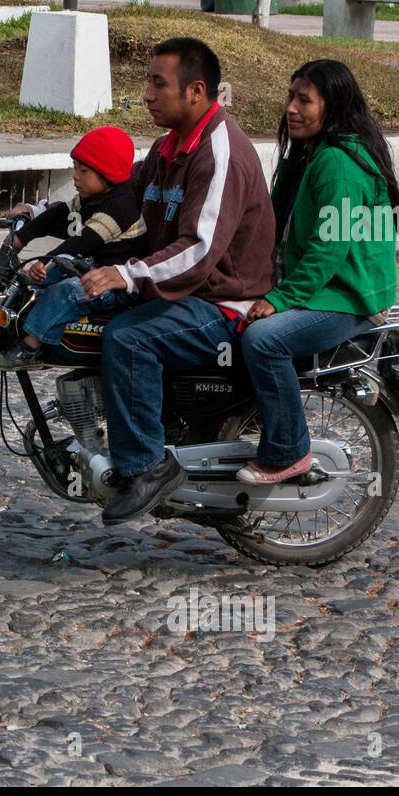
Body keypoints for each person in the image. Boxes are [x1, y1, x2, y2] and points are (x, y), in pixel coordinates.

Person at [78, 37, 276, 525]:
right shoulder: (169, 147)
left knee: (129, 338)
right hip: (189, 292)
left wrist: (127, 274)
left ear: (196, 91)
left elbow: (199, 250)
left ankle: (146, 465)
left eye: (157, 83)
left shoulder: (218, 150)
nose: (146, 93)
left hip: (223, 301)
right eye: (147, 81)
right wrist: (44, 218)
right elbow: (119, 200)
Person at [235, 59, 399, 483]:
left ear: (334, 107)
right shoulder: (309, 155)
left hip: (345, 298)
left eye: (304, 100)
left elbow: (330, 250)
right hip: (323, 289)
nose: (291, 108)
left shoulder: (338, 163)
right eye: (290, 97)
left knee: (263, 340)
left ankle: (289, 451)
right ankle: (253, 415)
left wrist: (280, 299)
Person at [0, 126, 145, 369]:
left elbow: (82, 242)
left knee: (66, 292)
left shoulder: (121, 207)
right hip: (89, 268)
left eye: (84, 171)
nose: (76, 176)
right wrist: (21, 237)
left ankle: (31, 346)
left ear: (108, 175)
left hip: (117, 285)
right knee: (27, 282)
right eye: (75, 168)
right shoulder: (90, 198)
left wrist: (45, 260)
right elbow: (58, 215)